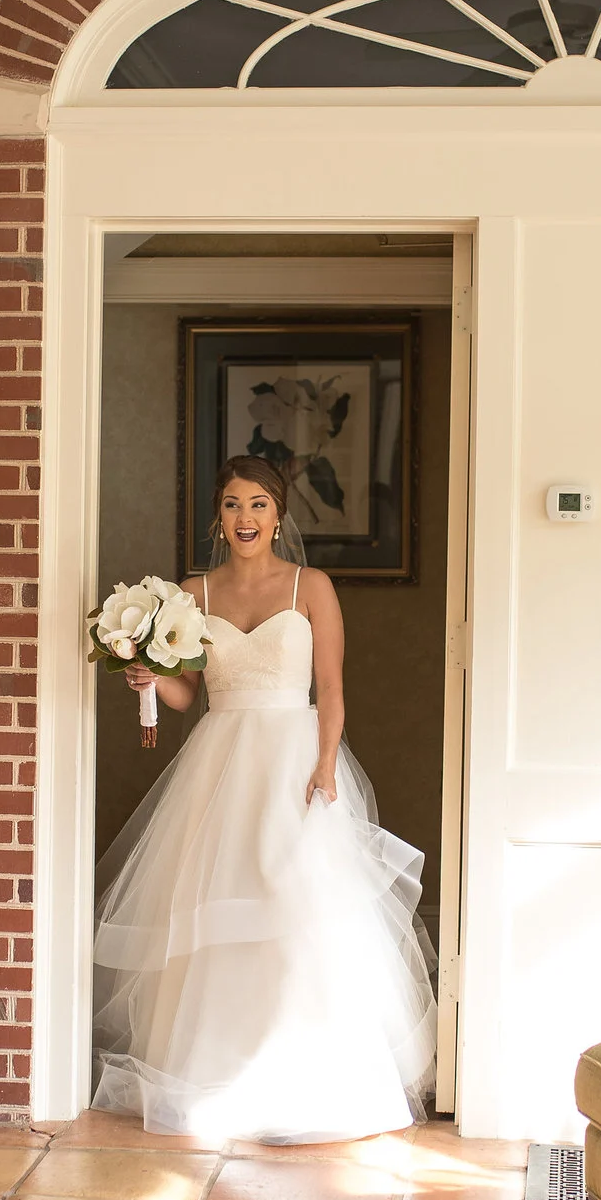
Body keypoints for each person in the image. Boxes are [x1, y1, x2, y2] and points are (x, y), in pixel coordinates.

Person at [92, 455, 436, 1143]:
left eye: (257, 504)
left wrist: (326, 764)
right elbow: (188, 694)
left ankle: (302, 1076)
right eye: (231, 505)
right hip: (220, 763)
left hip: (293, 762)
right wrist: (149, 679)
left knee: (296, 907)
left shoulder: (312, 586)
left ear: (278, 515)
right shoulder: (193, 593)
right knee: (215, 906)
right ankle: (217, 1073)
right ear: (218, 517)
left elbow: (331, 687)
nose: (244, 518)